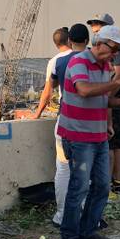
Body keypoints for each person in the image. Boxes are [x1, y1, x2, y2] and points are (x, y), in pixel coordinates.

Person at [58, 25, 120, 239]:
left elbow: (99, 97)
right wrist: (117, 83)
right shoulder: (79, 62)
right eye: (114, 49)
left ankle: (88, 229)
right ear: (100, 43)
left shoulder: (105, 67)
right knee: (79, 187)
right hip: (78, 136)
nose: (115, 54)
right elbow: (84, 90)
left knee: (102, 185)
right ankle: (69, 235)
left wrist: (119, 102)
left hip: (98, 135)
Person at [46, 24, 90, 226]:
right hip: (89, 123)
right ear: (88, 41)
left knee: (63, 169)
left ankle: (62, 216)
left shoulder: (59, 62)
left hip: (65, 122)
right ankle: (86, 215)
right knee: (85, 171)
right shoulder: (96, 61)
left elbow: (49, 89)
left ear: (69, 41)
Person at [87, 13, 120, 191]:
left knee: (114, 143)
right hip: (114, 100)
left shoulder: (116, 47)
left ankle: (114, 184)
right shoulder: (91, 57)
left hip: (115, 102)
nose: (95, 29)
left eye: (99, 25)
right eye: (93, 25)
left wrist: (108, 99)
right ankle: (113, 184)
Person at [31, 27, 71, 119]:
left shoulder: (54, 61)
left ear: (56, 44)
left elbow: (48, 91)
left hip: (66, 109)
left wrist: (37, 114)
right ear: (69, 40)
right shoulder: (80, 56)